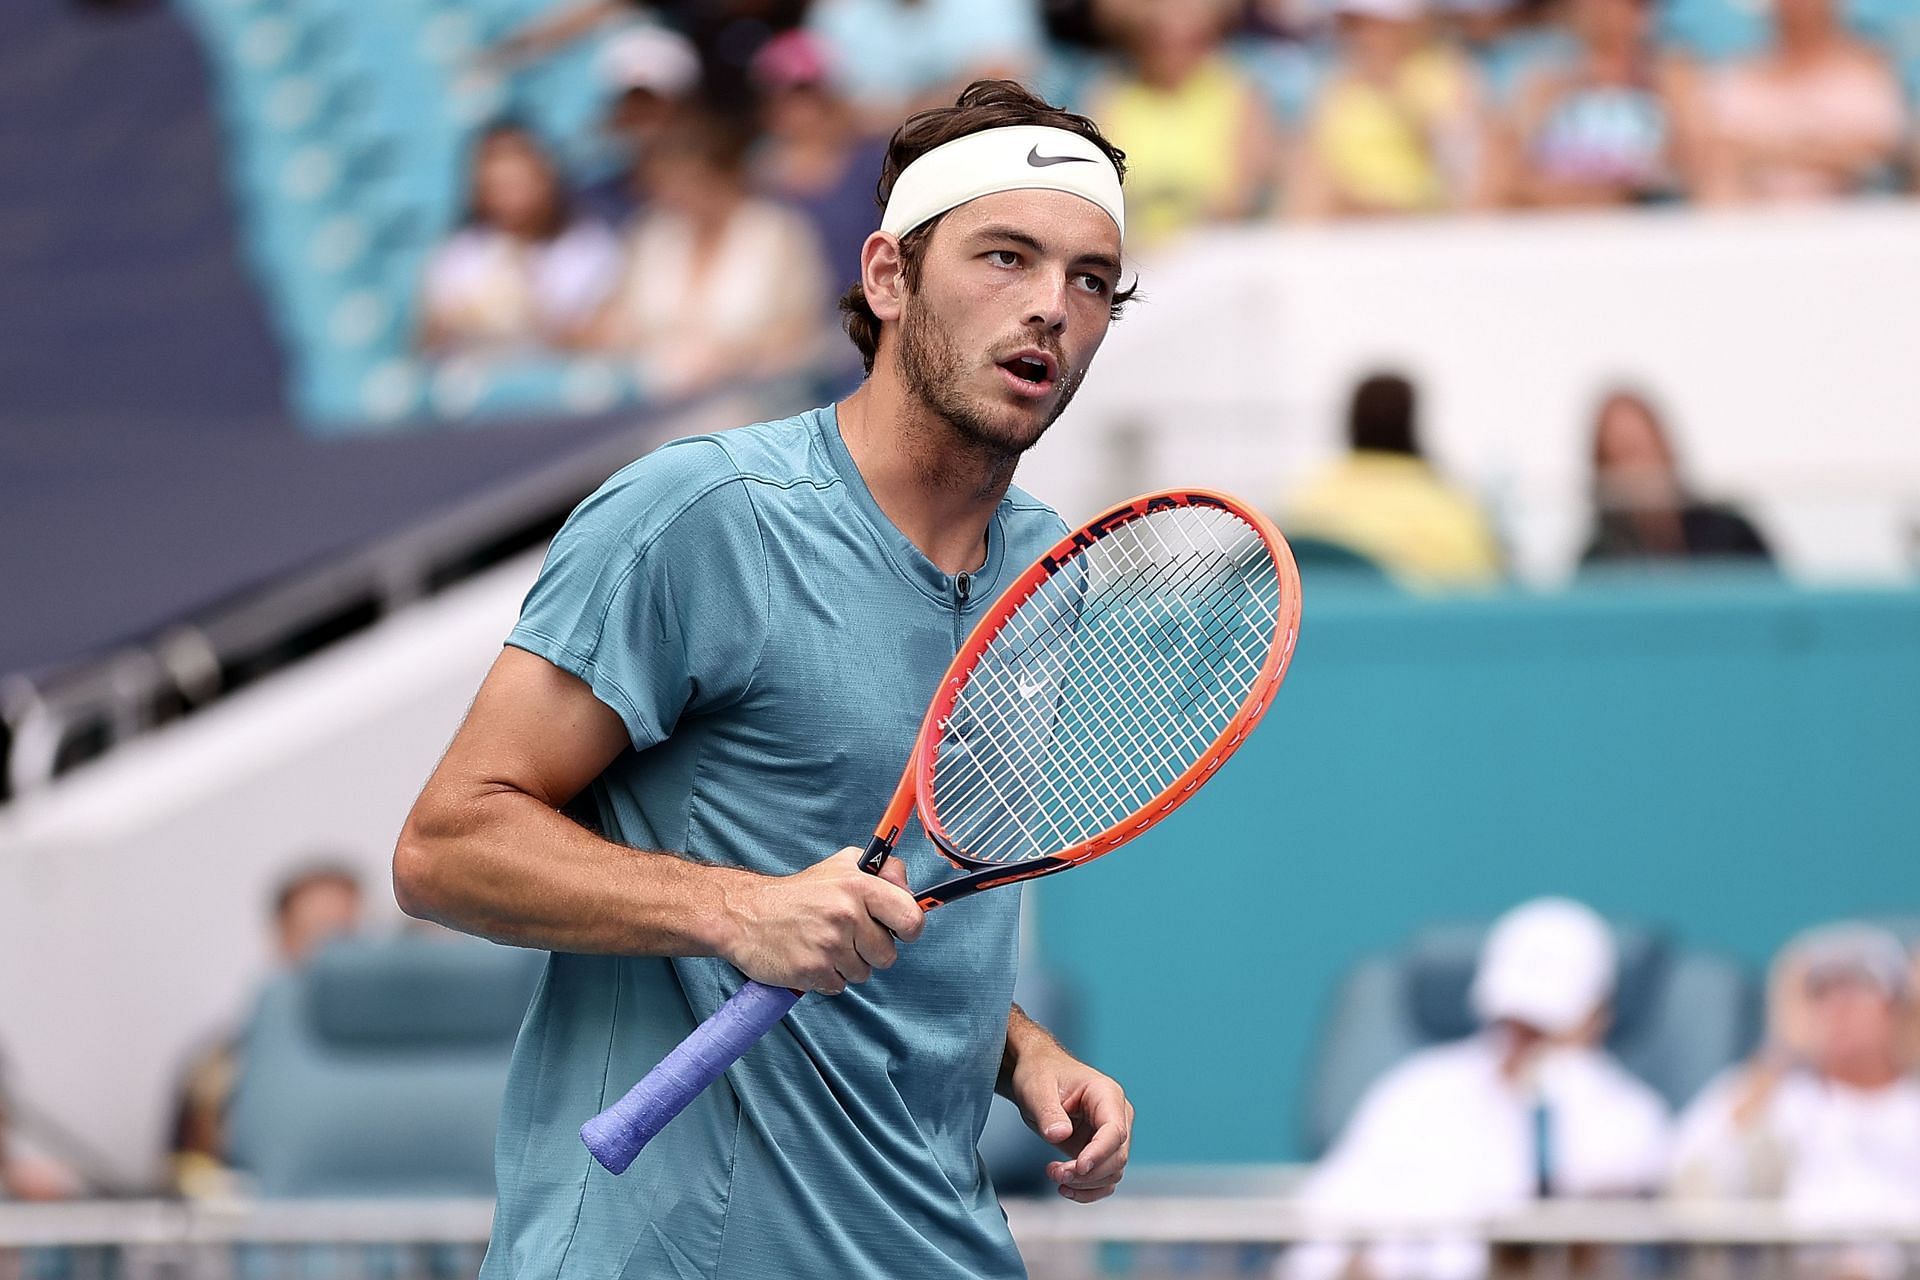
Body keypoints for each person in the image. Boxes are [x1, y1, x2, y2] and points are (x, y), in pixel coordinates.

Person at [394, 79, 1140, 1279]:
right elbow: (443, 847)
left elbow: (888, 904)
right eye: (1006, 256)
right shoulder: (697, 513)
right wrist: (741, 909)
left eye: (1093, 278)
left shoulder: (1046, 569)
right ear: (888, 277)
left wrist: (1019, 1051)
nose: (1052, 307)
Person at [1284, 898, 1673, 1280]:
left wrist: (1555, 1090)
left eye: (1542, 1028)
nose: (1521, 1040)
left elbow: (1600, 1188)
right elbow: (1324, 1223)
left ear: (1597, 1017)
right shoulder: (1417, 1090)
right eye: (1512, 1020)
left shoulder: (1630, 1117)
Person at [1672, 924, 1920, 1274]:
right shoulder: (1781, 1099)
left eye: (1858, 990)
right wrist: (1780, 1054)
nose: (1839, 1009)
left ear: (1896, 1006)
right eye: (1822, 994)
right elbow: (1694, 1178)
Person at [585, 109, 830, 397]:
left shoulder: (777, 233)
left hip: (754, 398)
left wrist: (733, 358)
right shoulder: (651, 235)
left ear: (726, 175)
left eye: (692, 181)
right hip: (654, 400)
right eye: (668, 184)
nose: (679, 195)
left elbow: (801, 329)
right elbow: (617, 318)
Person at [168, 862, 365, 1198]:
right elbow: (187, 1170)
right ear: (282, 936)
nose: (336, 956)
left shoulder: (396, 1055)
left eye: (349, 936)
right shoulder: (224, 1064)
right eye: (320, 934)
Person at [1081, 0, 1280, 247]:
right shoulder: (1110, 94)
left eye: (1189, 36)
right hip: (1135, 249)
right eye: (1157, 36)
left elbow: (1246, 195)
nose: (1172, 45)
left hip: (1217, 247)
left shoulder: (1240, 93)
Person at [1283, 371, 1504, 588]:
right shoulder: (1453, 507)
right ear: (1413, 420)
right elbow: (1483, 591)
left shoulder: (1304, 497)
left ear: (1352, 419)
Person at [418, 123, 624, 356]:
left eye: (518, 182)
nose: (510, 198)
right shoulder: (462, 252)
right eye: (498, 186)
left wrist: (533, 319)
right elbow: (430, 338)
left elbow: (603, 335)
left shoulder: (588, 244)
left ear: (544, 177)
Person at [1287, 0, 1496, 218]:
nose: (1359, 34)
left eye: (1369, 23)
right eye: (1350, 24)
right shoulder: (1337, 81)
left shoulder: (1445, 73)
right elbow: (1310, 156)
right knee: (1311, 181)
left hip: (1416, 210)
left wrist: (1395, 96)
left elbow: (1460, 164)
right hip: (1346, 208)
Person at [1501, 0, 1707, 206]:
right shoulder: (1548, 79)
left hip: (1642, 210)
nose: (1608, 13)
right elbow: (1514, 170)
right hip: (1564, 209)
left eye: (1629, 5)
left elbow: (1693, 161)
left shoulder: (1668, 74)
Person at [1696, 0, 1906, 202]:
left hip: (1854, 224)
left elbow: (1874, 154)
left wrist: (1763, 151)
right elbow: (1717, 154)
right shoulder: (1734, 78)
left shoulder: (1868, 73)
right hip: (1753, 225)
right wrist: (1823, 152)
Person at [748, 29, 888, 293]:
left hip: (868, 312)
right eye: (780, 95)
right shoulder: (758, 172)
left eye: (805, 92)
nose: (796, 108)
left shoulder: (876, 161)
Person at [1580, 388, 1771, 565]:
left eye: (1642, 449)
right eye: (1622, 455)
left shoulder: (1730, 533)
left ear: (1663, 446)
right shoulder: (1601, 561)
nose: (1638, 470)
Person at [804, 0, 1046, 126]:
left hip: (984, 128)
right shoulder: (838, 10)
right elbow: (837, 104)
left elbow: (1003, 78)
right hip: (875, 149)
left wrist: (905, 108)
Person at [574, 25, 702, 230]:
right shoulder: (590, 198)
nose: (637, 114)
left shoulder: (718, 191)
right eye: (627, 101)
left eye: (650, 102)